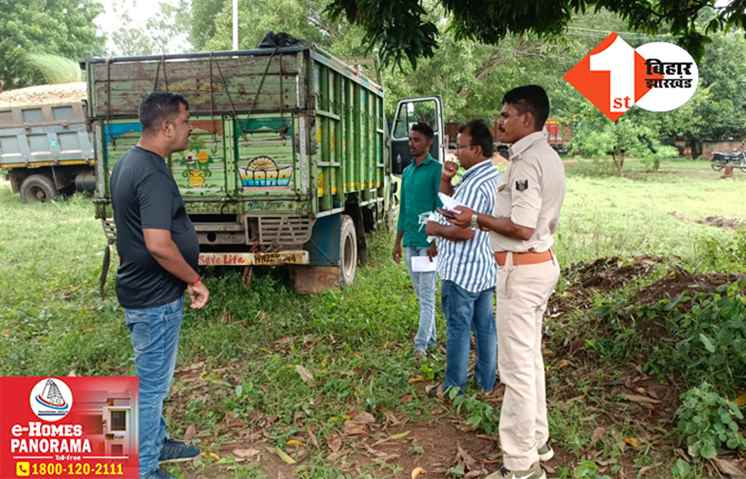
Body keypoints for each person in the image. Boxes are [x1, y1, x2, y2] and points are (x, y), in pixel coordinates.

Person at [447, 86, 565, 479]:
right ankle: (537, 440)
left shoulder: (528, 162)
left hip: (522, 270)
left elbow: (521, 226)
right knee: (530, 358)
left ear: (526, 118)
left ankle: (520, 466)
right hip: (539, 265)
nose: (499, 121)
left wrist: (476, 219)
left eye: (506, 114)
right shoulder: (547, 156)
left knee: (515, 369)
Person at [110, 92, 210, 479]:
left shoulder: (130, 163)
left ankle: (157, 441)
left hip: (146, 292)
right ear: (167, 126)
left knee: (151, 381)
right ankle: (145, 468)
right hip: (154, 299)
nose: (191, 128)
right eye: (186, 121)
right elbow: (158, 244)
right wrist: (194, 280)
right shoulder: (150, 172)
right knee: (151, 388)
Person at [425, 119, 500, 395]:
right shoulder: (490, 177)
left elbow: (465, 231)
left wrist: (435, 230)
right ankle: (486, 382)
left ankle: (454, 386)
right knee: (485, 327)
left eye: (461, 146)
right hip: (483, 268)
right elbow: (454, 206)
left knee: (458, 328)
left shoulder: (477, 184)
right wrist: (446, 180)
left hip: (463, 271)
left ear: (478, 149)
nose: (457, 152)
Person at [392, 122, 442, 362]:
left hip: (427, 243)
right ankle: (431, 339)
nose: (411, 144)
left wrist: (435, 241)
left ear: (428, 143)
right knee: (421, 295)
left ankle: (421, 345)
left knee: (427, 295)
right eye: (410, 140)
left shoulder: (437, 170)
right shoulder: (408, 172)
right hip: (410, 241)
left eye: (417, 140)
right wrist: (397, 242)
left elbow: (441, 208)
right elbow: (404, 210)